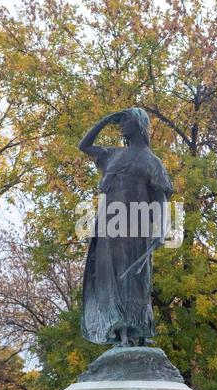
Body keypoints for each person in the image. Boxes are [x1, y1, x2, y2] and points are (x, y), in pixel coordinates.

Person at [78, 108, 173, 346]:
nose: (120, 126)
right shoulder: (112, 155)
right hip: (109, 227)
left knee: (136, 278)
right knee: (110, 278)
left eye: (125, 121)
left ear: (139, 125)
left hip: (136, 225)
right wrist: (104, 119)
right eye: (118, 122)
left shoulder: (152, 161)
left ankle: (138, 332)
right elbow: (84, 145)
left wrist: (161, 231)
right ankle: (118, 332)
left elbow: (161, 199)